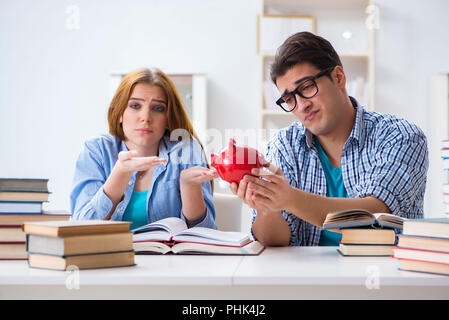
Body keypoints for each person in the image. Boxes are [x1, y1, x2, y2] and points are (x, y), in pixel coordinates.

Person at [231, 32, 428, 246]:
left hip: (385, 274)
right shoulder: (283, 146)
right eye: (289, 99)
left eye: (306, 87)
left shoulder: (401, 136)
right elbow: (275, 242)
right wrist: (267, 207)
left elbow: (375, 217)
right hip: (309, 278)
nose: (302, 105)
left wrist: (289, 199)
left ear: (338, 77)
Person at [70, 67, 218, 230]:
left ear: (168, 118)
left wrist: (189, 187)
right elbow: (79, 228)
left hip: (168, 256)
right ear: (120, 112)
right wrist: (120, 173)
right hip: (110, 255)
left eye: (158, 108)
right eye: (135, 106)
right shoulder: (96, 150)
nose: (146, 117)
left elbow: (206, 234)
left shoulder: (186, 151)